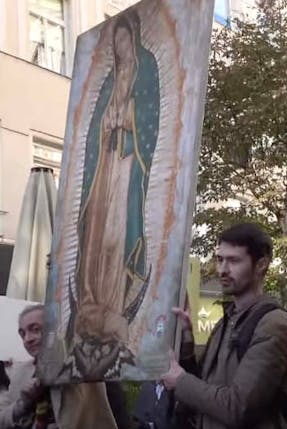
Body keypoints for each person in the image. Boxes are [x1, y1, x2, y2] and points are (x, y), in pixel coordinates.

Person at [162, 223, 287, 429]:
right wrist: (186, 344)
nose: (223, 269)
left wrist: (181, 381)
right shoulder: (229, 320)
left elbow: (238, 406)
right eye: (219, 259)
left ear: (261, 265)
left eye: (234, 260)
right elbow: (205, 390)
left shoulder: (274, 325)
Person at [73, 10, 160, 377]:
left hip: (127, 164)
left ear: (134, 38)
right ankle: (91, 302)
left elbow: (150, 118)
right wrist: (106, 124)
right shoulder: (111, 77)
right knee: (95, 234)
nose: (121, 46)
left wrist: (128, 119)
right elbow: (97, 122)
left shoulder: (147, 68)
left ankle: (112, 304)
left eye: (125, 39)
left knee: (116, 235)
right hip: (105, 165)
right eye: (116, 41)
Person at [0, 304, 134, 429]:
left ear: (55, 329)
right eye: (23, 333)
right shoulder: (19, 373)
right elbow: (2, 425)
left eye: (35, 329)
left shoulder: (83, 366)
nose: (28, 338)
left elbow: (115, 416)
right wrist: (23, 403)